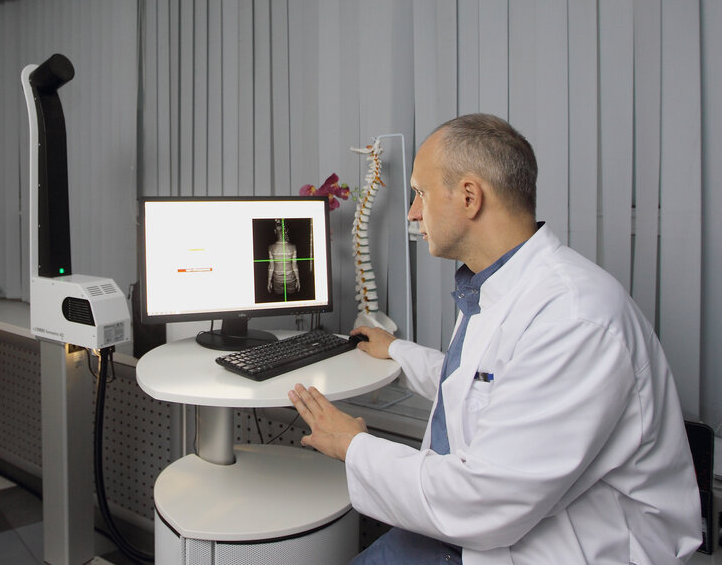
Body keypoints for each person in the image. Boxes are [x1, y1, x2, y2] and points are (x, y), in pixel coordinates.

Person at [288, 114, 701, 564]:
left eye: (421, 193)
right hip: (476, 527)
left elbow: (481, 502)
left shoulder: (573, 318)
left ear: (469, 197)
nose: (412, 212)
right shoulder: (500, 285)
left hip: (550, 546)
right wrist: (398, 352)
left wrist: (352, 445)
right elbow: (483, 383)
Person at [266, 220, 300, 296]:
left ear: (275, 231)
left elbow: (271, 267)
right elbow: (295, 266)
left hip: (277, 279)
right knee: (291, 298)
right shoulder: (293, 247)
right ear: (286, 231)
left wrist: (269, 281)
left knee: (279, 298)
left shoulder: (271, 247)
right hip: (290, 278)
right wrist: (298, 280)